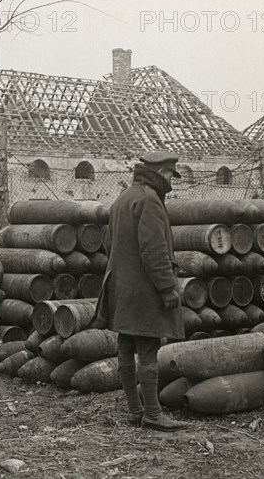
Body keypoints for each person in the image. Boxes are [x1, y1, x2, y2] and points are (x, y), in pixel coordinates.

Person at [91, 150, 188, 432]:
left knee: (126, 348)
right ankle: (153, 414)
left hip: (121, 287)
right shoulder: (149, 201)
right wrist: (168, 287)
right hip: (144, 289)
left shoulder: (123, 198)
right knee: (148, 350)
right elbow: (154, 251)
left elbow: (108, 243)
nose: (171, 180)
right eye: (170, 174)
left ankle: (135, 410)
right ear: (160, 173)